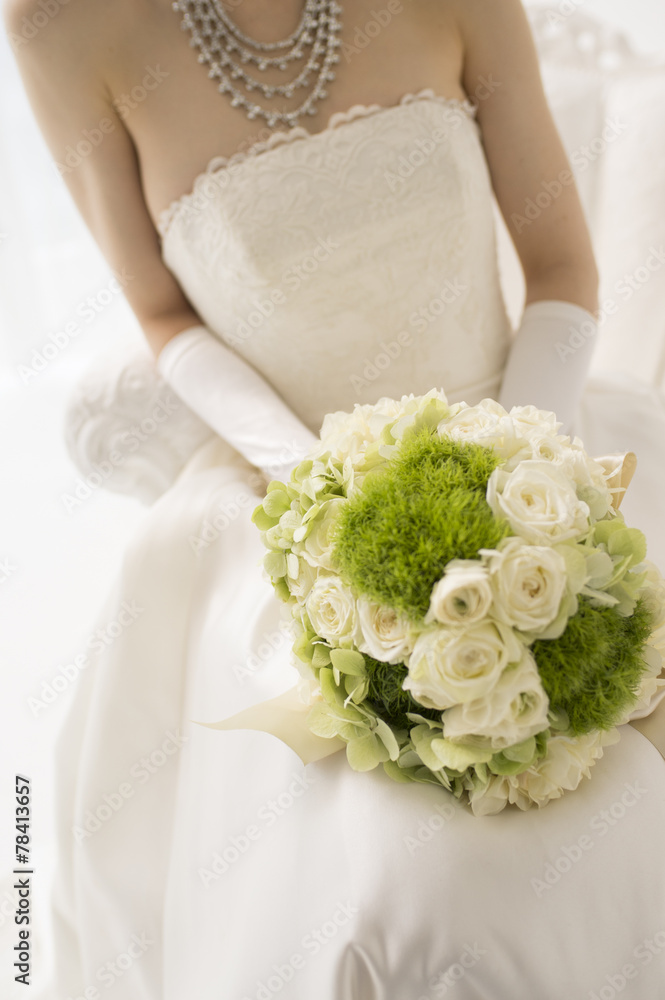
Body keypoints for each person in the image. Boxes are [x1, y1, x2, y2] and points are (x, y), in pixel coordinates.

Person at [5, 0, 664, 996]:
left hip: (535, 436)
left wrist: (519, 476)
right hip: (286, 494)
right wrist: (317, 489)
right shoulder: (60, 25)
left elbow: (561, 268)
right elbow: (162, 313)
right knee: (390, 882)